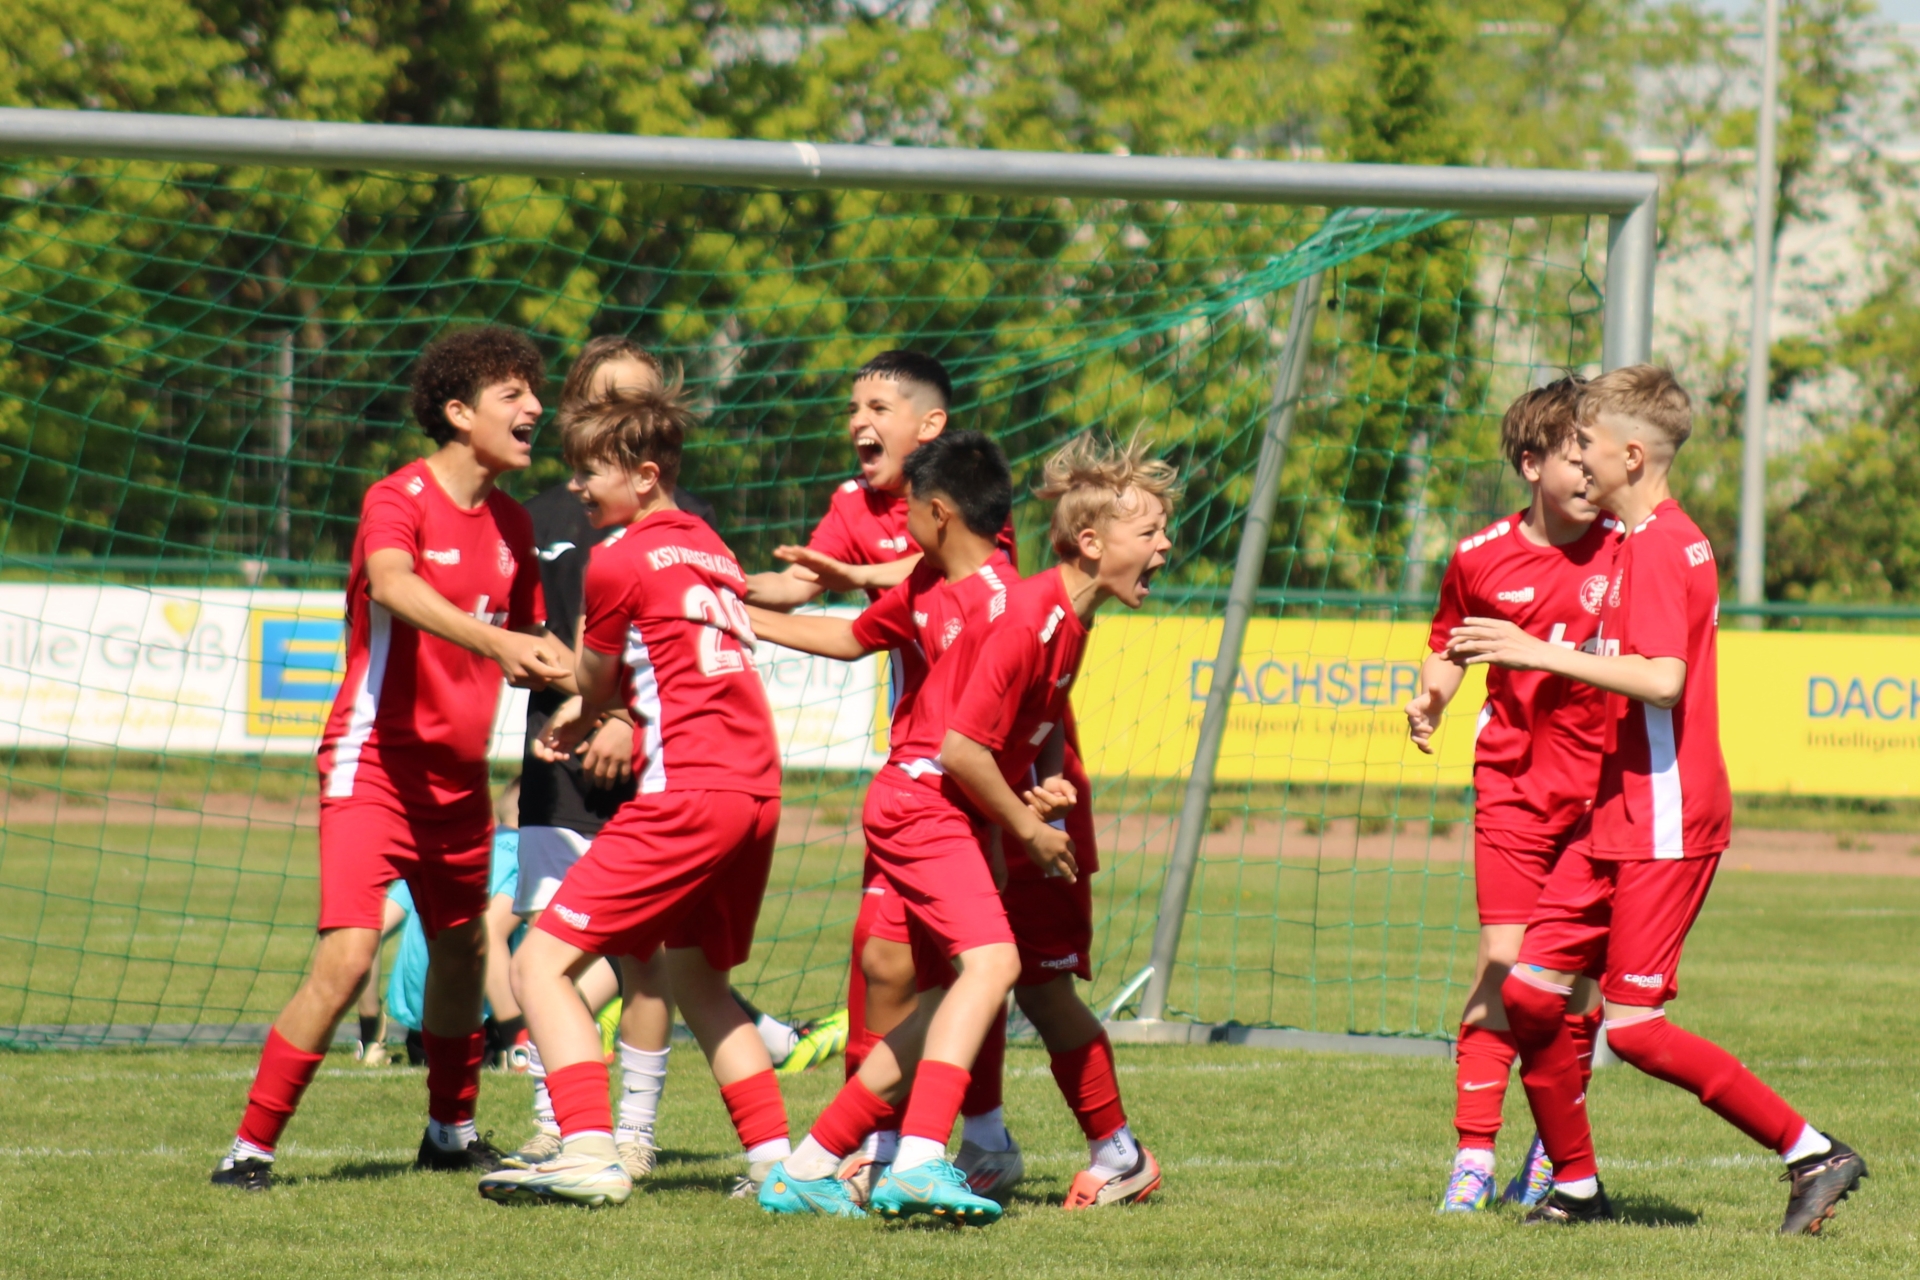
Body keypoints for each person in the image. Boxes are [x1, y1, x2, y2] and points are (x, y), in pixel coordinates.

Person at [1447, 365, 1868, 1233]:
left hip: (1665, 816)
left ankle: (1811, 1152)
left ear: (1631, 457)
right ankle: (1574, 1186)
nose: (1578, 457)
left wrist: (1534, 650)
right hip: (1617, 811)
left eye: (1587, 443)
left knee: (1636, 1028)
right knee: (1528, 992)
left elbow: (1664, 680)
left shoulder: (1660, 547)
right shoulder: (1643, 540)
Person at [759, 431, 1176, 1222]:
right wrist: (1028, 828)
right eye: (1151, 532)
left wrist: (1032, 795)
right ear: (1092, 543)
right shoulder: (1026, 614)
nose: (1165, 547)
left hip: (947, 809)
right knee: (993, 966)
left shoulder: (1064, 618)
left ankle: (809, 1165)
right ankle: (922, 1156)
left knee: (945, 998)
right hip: (926, 803)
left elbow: (1015, 728)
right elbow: (959, 749)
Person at [212, 326, 570, 1191]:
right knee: (346, 960)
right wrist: (496, 640)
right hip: (371, 764)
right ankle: (249, 1150)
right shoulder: (397, 497)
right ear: (459, 412)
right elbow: (393, 583)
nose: (535, 407)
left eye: (534, 391)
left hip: (458, 779)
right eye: (514, 394)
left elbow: (537, 641)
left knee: (462, 951)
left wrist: (613, 693)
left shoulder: (515, 523)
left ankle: (450, 1132)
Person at [505, 338, 831, 1182]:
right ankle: (777, 1168)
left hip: (686, 790)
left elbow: (597, 675)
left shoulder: (615, 559)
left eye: (592, 473)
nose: (579, 488)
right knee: (698, 981)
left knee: (538, 962)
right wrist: (592, 712)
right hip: (756, 791)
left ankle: (584, 1147)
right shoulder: (710, 547)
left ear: (644, 476)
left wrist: (579, 709)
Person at [743, 351, 1023, 1197]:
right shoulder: (863, 514)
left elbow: (939, 570)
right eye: (852, 407)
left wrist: (1028, 804)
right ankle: (875, 1150)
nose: (859, 422)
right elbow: (825, 611)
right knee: (894, 964)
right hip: (920, 779)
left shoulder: (973, 510)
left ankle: (975, 1137)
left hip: (969, 776)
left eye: (878, 406)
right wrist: (716, 594)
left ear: (931, 429)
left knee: (991, 968)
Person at [1405, 377, 1616, 1212]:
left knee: (1577, 985)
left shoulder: (1629, 549)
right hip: (1515, 787)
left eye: (1599, 461)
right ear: (1531, 464)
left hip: (1607, 798)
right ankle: (1473, 1157)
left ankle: (1556, 1152)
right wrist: (1432, 697)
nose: (1592, 477)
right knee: (1502, 964)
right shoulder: (1479, 556)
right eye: (1576, 460)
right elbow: (1448, 645)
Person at [384, 780, 529, 1070]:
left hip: (419, 1033)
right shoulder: (528, 861)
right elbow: (486, 935)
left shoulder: (446, 853)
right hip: (478, 1033)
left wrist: (369, 1023)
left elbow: (375, 927)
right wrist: (518, 1038)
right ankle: (519, 1048)